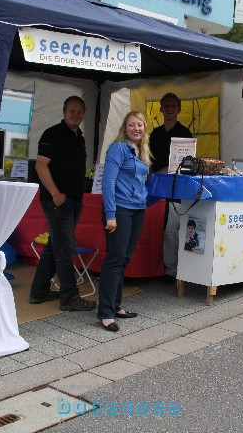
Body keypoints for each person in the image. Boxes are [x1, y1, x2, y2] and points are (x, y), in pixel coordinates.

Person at [29, 96, 96, 312]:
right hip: (58, 201)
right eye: (72, 111)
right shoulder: (53, 134)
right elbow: (40, 166)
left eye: (79, 112)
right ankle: (69, 296)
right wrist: (56, 193)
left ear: (84, 114)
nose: (76, 115)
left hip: (74, 200)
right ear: (64, 111)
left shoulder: (79, 137)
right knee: (65, 248)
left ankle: (38, 292)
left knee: (54, 245)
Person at [98, 111, 151, 332]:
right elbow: (108, 183)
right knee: (115, 260)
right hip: (119, 210)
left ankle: (116, 305)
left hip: (137, 209)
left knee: (124, 258)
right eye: (132, 125)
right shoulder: (117, 148)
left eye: (139, 125)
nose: (136, 128)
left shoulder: (141, 151)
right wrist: (110, 215)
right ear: (125, 127)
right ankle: (105, 313)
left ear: (144, 128)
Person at [149, 93, 193, 284]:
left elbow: (186, 162)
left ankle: (171, 270)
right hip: (155, 186)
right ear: (160, 108)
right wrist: (150, 172)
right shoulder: (155, 133)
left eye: (173, 105)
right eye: (166, 105)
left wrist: (161, 171)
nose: (169, 108)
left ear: (179, 109)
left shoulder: (185, 133)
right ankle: (156, 267)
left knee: (171, 229)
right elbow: (147, 156)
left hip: (175, 188)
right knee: (155, 228)